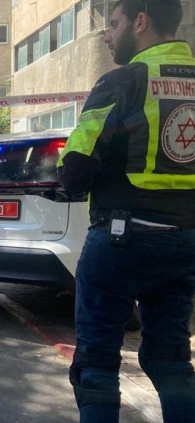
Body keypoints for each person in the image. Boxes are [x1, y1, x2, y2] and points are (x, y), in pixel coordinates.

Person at [56, 1, 195, 422]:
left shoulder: (122, 81)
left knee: (97, 364)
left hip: (122, 239)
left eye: (113, 24)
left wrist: (69, 176)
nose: (107, 35)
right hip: (186, 244)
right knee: (171, 360)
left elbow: (76, 167)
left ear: (141, 21)